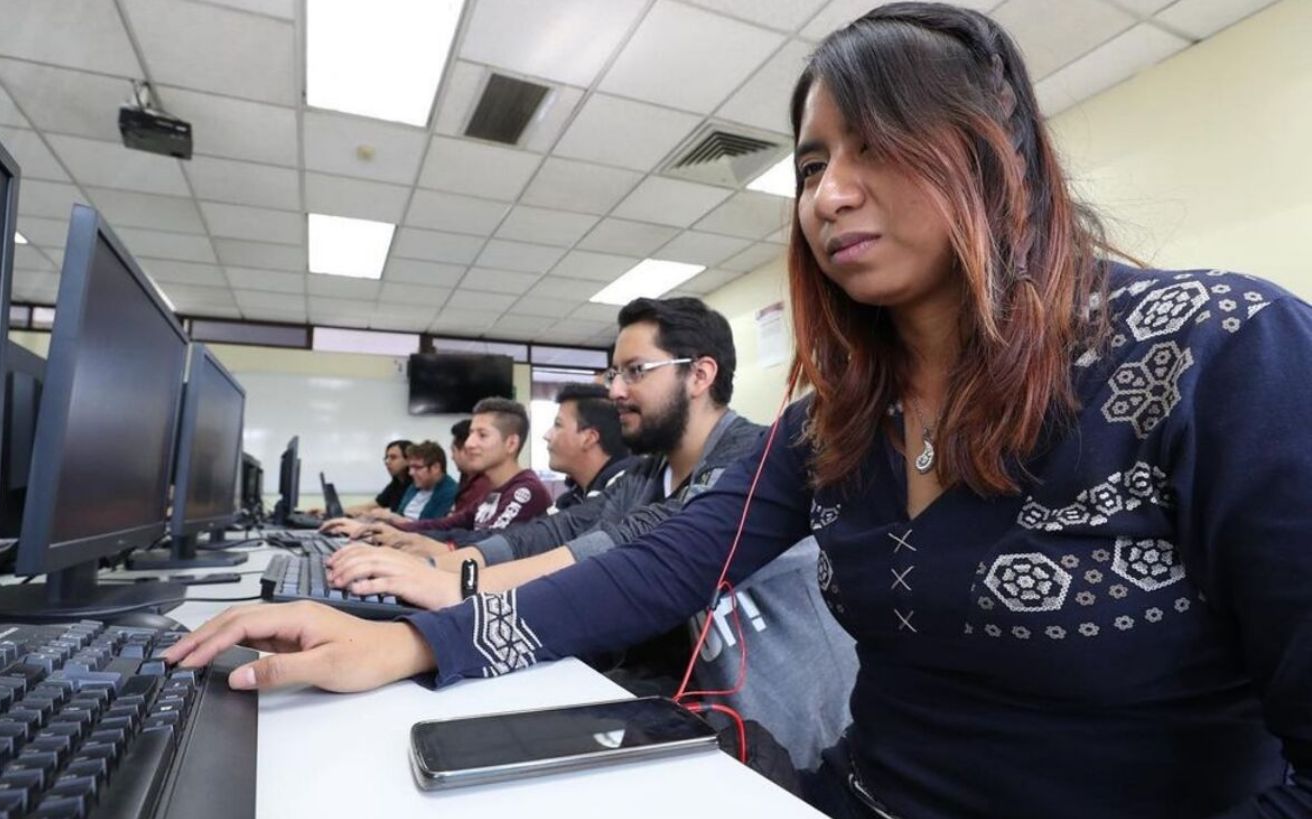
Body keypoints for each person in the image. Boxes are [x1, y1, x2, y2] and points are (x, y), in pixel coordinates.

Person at [165, 4, 1312, 816]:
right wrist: (416, 640)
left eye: (875, 146)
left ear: (996, 157)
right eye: (810, 165)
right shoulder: (832, 423)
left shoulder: (1221, 350)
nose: (829, 193)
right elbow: (659, 567)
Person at [327, 296, 856, 767]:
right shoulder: (645, 472)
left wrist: (463, 589)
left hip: (790, 752)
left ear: (699, 375)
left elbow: (642, 547)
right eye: (613, 374)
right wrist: (434, 568)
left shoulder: (755, 455)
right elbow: (565, 532)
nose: (615, 391)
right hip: (688, 710)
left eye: (635, 371)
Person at [326, 398, 550, 539]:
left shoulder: (525, 491)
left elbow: (487, 544)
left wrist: (402, 537)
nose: (469, 443)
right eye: (471, 434)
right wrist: (382, 528)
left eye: (482, 435)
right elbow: (448, 524)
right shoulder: (494, 491)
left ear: (511, 443)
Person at [542, 382, 635, 511]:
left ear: (589, 438)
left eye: (558, 425)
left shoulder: (629, 490)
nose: (546, 436)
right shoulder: (573, 497)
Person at [365, 441, 458, 523]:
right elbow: (400, 514)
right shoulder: (414, 487)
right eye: (410, 467)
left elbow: (433, 528)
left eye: (417, 467)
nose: (411, 473)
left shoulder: (451, 493)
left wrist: (392, 518)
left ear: (436, 468)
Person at [342, 440, 412, 517]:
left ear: (408, 460)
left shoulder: (416, 486)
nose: (387, 462)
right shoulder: (395, 484)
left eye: (393, 457)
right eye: (386, 458)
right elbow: (370, 507)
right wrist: (340, 511)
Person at [448, 418, 490, 513]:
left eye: (453, 451)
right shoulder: (466, 476)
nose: (452, 457)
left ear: (466, 450)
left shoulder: (481, 487)